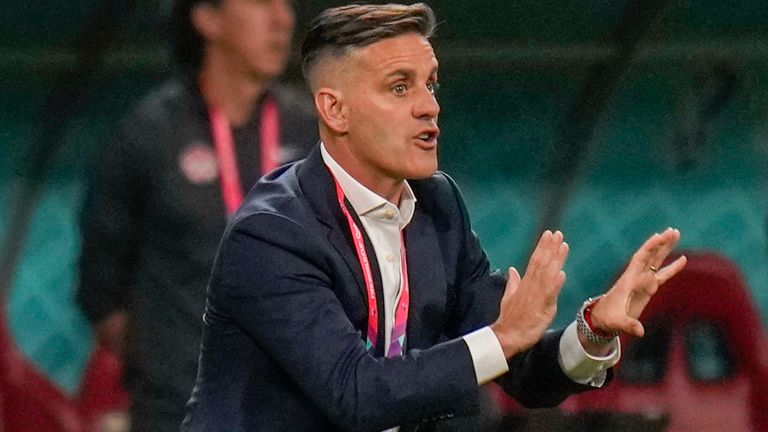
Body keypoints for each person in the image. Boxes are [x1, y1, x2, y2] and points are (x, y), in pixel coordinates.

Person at [181, 3, 687, 432]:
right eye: (400, 88)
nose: (429, 106)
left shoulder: (437, 204)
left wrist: (593, 330)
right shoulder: (272, 234)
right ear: (335, 111)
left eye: (431, 84)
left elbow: (523, 370)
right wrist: (503, 337)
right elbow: (355, 393)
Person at [76, 0, 317, 430]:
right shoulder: (148, 135)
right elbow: (102, 292)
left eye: (285, 4)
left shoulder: (313, 132)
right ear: (207, 18)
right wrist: (169, 365)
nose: (283, 18)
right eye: (263, 3)